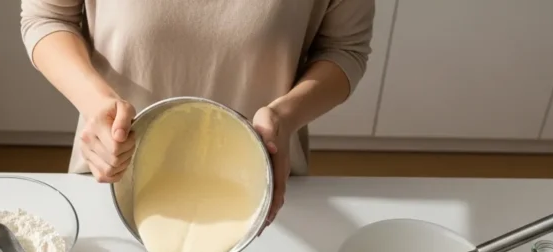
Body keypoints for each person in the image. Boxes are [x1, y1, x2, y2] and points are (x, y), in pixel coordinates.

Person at [21, 0, 374, 229]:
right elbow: (47, 17)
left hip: (262, 187)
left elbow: (344, 49)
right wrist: (94, 100)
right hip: (113, 173)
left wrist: (286, 116)